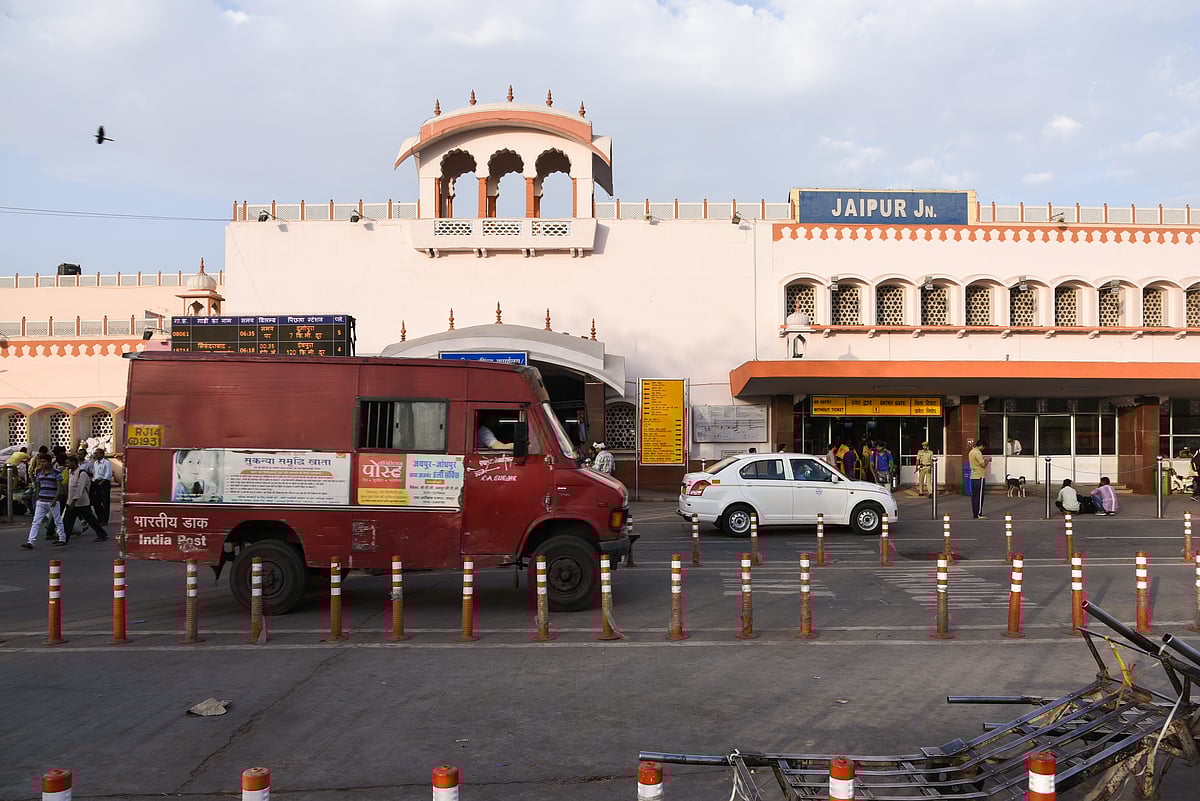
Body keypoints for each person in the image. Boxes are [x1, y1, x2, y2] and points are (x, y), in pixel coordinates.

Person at [22, 455, 67, 548]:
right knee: (36, 522)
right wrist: (37, 497)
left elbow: (59, 487)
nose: (42, 464)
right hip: (41, 501)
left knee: (57, 520)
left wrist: (55, 499)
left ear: (49, 462)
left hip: (52, 500)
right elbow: (38, 485)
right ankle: (31, 541)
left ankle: (62, 538)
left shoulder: (56, 472)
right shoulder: (39, 472)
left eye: (44, 462)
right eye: (41, 462)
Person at [62, 456, 109, 542]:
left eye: (69, 463)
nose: (67, 464)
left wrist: (73, 502)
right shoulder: (70, 472)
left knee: (91, 520)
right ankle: (63, 538)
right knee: (67, 521)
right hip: (71, 501)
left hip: (82, 502)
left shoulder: (82, 474)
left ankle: (102, 534)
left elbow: (80, 490)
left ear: (74, 463)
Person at [90, 447, 114, 526]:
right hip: (96, 482)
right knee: (96, 502)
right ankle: (100, 517)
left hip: (104, 483)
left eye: (97, 453)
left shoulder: (106, 463)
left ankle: (104, 520)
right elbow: (94, 473)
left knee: (105, 502)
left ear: (102, 454)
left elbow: (108, 474)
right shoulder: (95, 463)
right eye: (95, 453)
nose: (95, 455)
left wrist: (102, 482)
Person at [969, 440, 991, 519]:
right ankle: (978, 514)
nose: (983, 448)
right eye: (983, 447)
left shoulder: (971, 452)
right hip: (979, 476)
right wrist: (988, 460)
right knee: (980, 496)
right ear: (981, 445)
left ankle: (975, 513)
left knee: (974, 496)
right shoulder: (978, 453)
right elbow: (983, 465)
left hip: (973, 476)